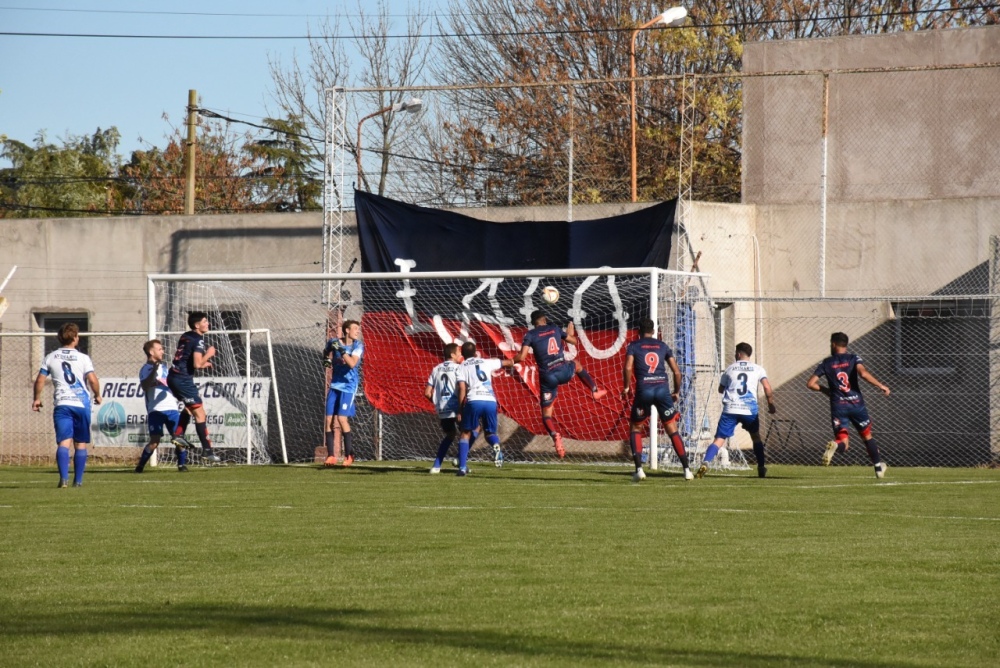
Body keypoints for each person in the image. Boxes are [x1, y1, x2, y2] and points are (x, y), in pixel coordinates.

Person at [513, 310, 607, 459]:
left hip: (548, 377)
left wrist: (511, 361)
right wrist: (571, 333)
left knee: (546, 415)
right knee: (577, 364)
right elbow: (574, 341)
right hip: (563, 371)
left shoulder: (530, 335)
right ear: (544, 320)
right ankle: (594, 389)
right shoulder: (555, 329)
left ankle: (555, 435)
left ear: (533, 323)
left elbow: (522, 357)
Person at [806, 331, 891, 479]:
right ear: (846, 344)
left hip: (838, 406)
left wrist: (828, 391)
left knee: (843, 441)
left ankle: (836, 445)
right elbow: (863, 374)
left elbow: (811, 384)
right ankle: (878, 468)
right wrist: (880, 385)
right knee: (866, 436)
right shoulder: (853, 358)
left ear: (833, 344)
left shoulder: (826, 363)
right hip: (856, 404)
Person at [621, 318, 693, 482]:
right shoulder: (662, 346)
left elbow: (627, 367)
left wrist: (626, 387)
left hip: (644, 390)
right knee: (672, 429)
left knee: (636, 428)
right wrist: (676, 392)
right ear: (654, 331)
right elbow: (676, 372)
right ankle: (687, 470)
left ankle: (639, 469)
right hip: (662, 391)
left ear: (639, 331)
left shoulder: (633, 345)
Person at [31, 323, 101, 488]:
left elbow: (40, 380)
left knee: (64, 442)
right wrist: (97, 394)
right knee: (81, 443)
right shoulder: (83, 358)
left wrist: (36, 398)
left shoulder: (51, 357)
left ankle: (63, 480)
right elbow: (92, 379)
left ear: (59, 338)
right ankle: (78, 481)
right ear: (76, 338)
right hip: (81, 404)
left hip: (62, 404)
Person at [697, 342, 776, 479]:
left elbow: (721, 389)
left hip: (731, 408)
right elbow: (767, 388)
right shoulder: (758, 369)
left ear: (738, 354)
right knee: (756, 437)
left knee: (719, 439)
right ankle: (761, 467)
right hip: (749, 410)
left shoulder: (730, 368)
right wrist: (770, 405)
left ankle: (705, 462)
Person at [167, 311, 220, 463]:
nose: (208, 323)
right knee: (200, 413)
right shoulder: (199, 340)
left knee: (189, 408)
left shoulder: (186, 335)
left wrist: (204, 363)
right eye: (205, 321)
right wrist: (208, 354)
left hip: (173, 377)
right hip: (183, 380)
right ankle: (207, 451)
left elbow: (188, 361)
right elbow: (197, 364)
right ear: (197, 325)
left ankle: (178, 434)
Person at [455, 340, 514, 476]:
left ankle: (462, 467)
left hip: (474, 400)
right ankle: (495, 445)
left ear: (463, 354)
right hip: (490, 401)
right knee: (490, 434)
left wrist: (460, 409)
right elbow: (508, 362)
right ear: (476, 353)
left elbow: (462, 388)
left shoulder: (462, 367)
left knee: (465, 433)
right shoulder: (486, 362)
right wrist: (520, 357)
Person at [136, 339, 194, 473]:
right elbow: (145, 386)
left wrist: (183, 400)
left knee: (178, 437)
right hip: (155, 410)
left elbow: (172, 387)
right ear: (151, 352)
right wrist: (154, 370)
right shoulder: (145, 369)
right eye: (160, 349)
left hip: (172, 409)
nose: (163, 351)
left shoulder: (164, 368)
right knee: (155, 441)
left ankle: (181, 465)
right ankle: (140, 466)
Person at [425, 343, 479, 473]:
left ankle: (436, 466)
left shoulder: (436, 369)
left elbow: (427, 392)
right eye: (458, 352)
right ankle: (461, 461)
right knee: (474, 428)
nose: (461, 355)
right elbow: (463, 387)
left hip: (443, 409)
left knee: (450, 435)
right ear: (452, 354)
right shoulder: (459, 368)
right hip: (457, 407)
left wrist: (438, 403)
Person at [322, 319, 363, 467]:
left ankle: (349, 454)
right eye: (355, 329)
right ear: (347, 330)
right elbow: (326, 351)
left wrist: (340, 349)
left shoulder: (358, 346)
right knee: (328, 420)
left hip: (349, 387)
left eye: (358, 329)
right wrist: (327, 361)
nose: (357, 332)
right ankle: (331, 456)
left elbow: (352, 363)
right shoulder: (334, 342)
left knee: (341, 419)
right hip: (335, 385)